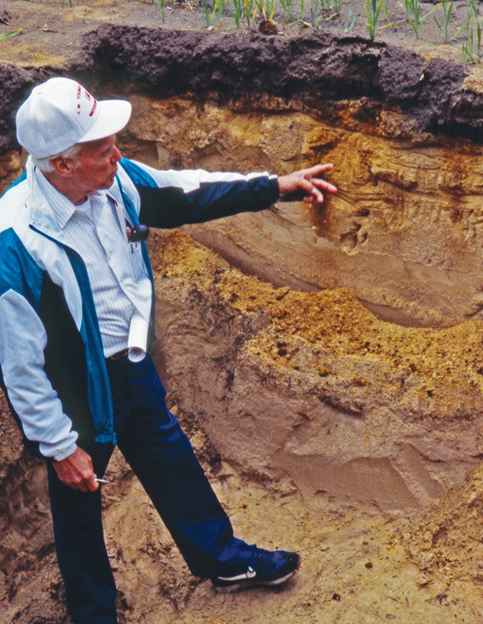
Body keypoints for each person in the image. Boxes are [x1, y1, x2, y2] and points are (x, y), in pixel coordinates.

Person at [0, 77, 337, 624]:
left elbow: (186, 191)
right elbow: (19, 364)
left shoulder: (116, 182)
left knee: (169, 455)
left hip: (131, 365)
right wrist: (59, 446)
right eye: (102, 149)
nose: (118, 155)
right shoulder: (15, 240)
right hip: (77, 394)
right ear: (61, 164)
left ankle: (221, 558)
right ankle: (93, 612)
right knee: (79, 500)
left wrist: (274, 186)